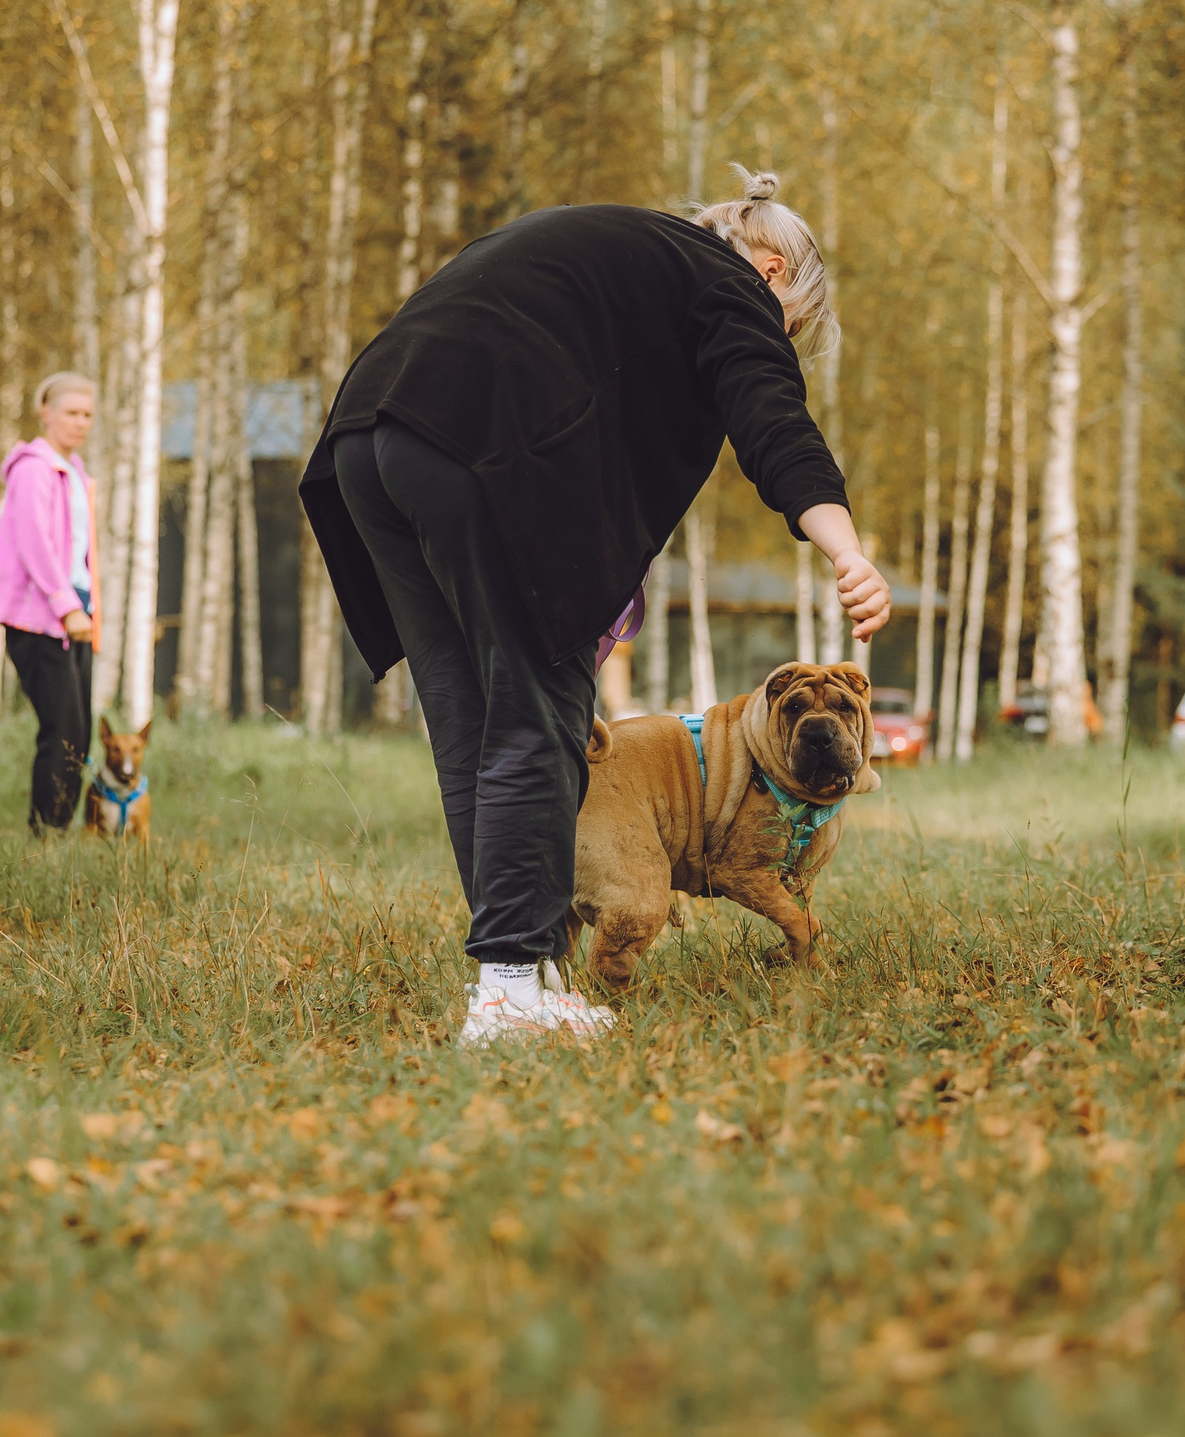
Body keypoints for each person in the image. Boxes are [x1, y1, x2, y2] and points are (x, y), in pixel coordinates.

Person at [301, 171, 892, 1044]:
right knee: (537, 720)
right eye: (791, 326)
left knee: (470, 722)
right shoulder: (729, 284)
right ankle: (508, 991)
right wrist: (846, 550)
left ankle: (525, 975)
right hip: (478, 450)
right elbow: (776, 425)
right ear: (771, 271)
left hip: (368, 440)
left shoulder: (617, 249)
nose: (780, 341)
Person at [0, 372, 104, 832]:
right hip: (40, 618)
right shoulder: (34, 469)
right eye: (71, 413)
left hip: (76, 612)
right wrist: (65, 606)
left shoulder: (74, 473)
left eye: (88, 415)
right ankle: (46, 836)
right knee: (61, 729)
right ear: (46, 413)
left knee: (79, 731)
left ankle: (59, 829)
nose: (80, 423)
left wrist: (87, 608)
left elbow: (78, 551)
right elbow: (35, 544)